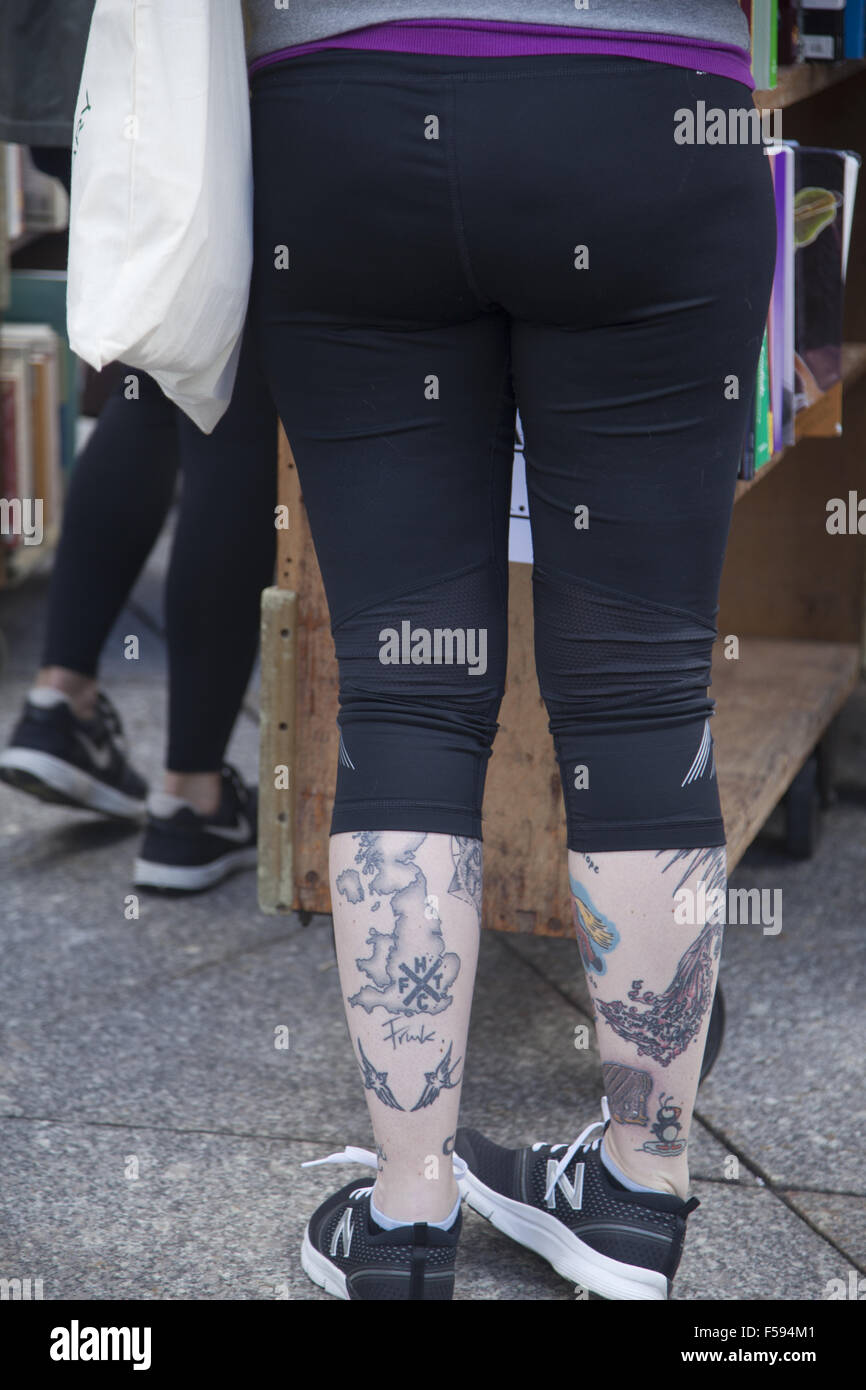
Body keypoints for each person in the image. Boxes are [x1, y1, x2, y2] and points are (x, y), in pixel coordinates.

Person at [246, 1, 775, 1301]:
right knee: (642, 694)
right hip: (647, 108)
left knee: (403, 690)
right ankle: (638, 1194)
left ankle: (406, 1208)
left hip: (343, 116)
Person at [0, 5, 279, 891]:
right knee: (223, 382)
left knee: (154, 368)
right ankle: (190, 797)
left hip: (71, 63)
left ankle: (60, 699)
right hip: (194, 66)